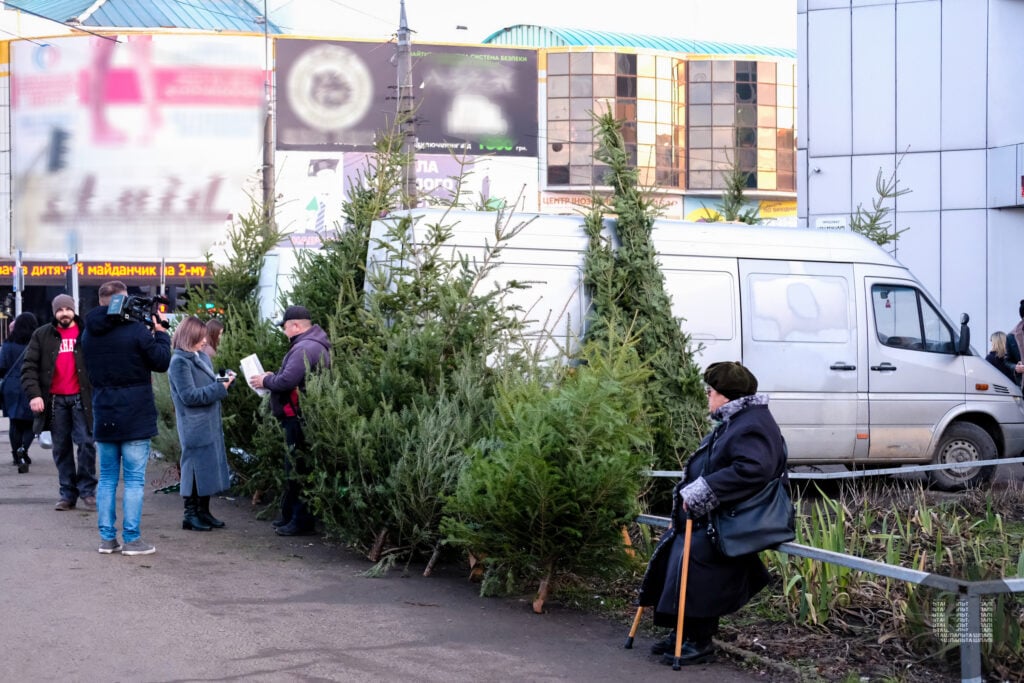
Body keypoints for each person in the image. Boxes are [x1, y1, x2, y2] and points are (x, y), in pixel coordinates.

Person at [637, 361, 787, 666]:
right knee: (675, 556)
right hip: (717, 514)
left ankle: (698, 640)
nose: (708, 396)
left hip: (737, 519)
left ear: (727, 396)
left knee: (698, 561)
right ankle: (680, 631)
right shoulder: (736, 420)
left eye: (711, 391)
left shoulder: (753, 424)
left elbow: (753, 469)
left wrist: (702, 491)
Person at [81, 281, 171, 556]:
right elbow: (161, 361)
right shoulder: (135, 332)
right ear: (123, 301)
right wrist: (161, 333)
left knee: (107, 478)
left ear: (101, 302)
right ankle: (132, 539)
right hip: (135, 414)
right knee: (133, 480)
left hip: (104, 411)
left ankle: (107, 539)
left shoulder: (88, 334)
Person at [248, 305, 331, 537]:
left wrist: (266, 380)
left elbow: (286, 381)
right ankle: (290, 516)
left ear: (295, 325)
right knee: (296, 467)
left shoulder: (304, 348)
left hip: (297, 417)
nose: (284, 333)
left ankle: (299, 520)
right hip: (304, 415)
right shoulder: (315, 345)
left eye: (285, 327)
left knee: (296, 469)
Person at [22, 294, 98, 511]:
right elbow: (28, 368)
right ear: (54, 312)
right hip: (55, 400)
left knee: (85, 443)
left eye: (68, 308)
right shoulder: (42, 335)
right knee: (61, 447)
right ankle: (67, 493)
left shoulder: (86, 332)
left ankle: (87, 490)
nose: (64, 313)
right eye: (60, 309)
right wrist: (35, 395)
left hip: (82, 398)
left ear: (74, 309)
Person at [168, 316, 233, 532]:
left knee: (207, 468)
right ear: (189, 337)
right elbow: (189, 396)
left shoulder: (200, 356)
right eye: (200, 337)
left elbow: (210, 383)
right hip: (193, 424)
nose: (205, 341)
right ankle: (191, 514)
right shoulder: (179, 362)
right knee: (194, 470)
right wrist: (220, 388)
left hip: (208, 422)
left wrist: (223, 380)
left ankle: (204, 512)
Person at [1, 313, 40, 474]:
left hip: (11, 387)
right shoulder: (36, 344)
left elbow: (2, 367)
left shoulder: (8, 344)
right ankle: (23, 450)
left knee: (14, 422)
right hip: (31, 385)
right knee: (31, 422)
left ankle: (16, 455)